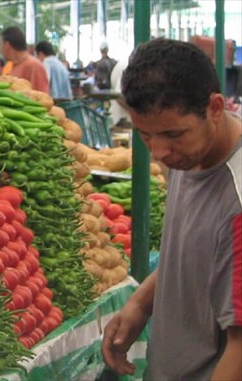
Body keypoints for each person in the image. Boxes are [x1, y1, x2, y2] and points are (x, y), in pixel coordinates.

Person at [101, 38, 242, 381]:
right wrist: (141, 303)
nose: (160, 152)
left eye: (173, 134)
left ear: (215, 107)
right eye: (146, 135)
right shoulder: (188, 155)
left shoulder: (236, 198)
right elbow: (195, 255)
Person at [0, 26, 49, 93]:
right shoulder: (10, 66)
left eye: (0, 45)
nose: (0, 49)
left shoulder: (34, 66)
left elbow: (43, 97)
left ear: (7, 45)